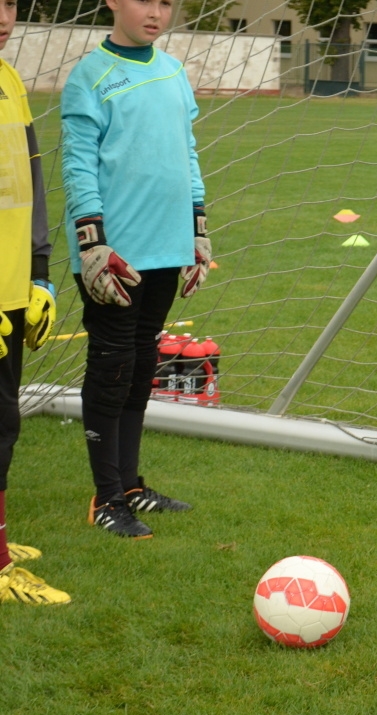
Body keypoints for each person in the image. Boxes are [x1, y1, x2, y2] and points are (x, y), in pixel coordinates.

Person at [61, 0, 211, 539]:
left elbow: (188, 157)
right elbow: (77, 164)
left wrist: (196, 230)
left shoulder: (172, 72)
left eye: (166, 2)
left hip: (166, 247)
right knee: (112, 367)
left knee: (143, 360)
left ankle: (129, 485)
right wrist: (92, 243)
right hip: (115, 256)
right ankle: (105, 498)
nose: (156, 12)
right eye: (144, 0)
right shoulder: (89, 76)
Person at [0, 0, 71, 604]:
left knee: (4, 421)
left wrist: (41, 275)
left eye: (9, 2)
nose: (2, 15)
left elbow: (30, 181)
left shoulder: (10, 80)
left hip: (11, 290)